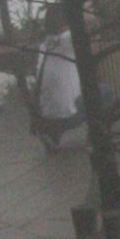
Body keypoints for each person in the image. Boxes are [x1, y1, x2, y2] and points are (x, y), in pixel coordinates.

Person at [32, 24, 83, 153]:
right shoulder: (68, 39)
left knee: (60, 95)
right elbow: (87, 25)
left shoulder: (45, 45)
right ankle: (95, 138)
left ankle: (52, 134)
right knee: (106, 93)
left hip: (45, 113)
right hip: (69, 113)